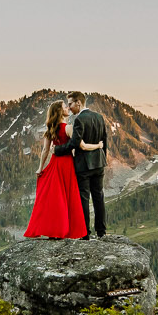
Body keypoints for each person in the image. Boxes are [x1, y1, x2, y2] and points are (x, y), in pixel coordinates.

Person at [22, 98, 87, 239]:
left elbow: (45, 150)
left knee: (56, 198)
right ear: (60, 112)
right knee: (67, 197)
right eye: (65, 107)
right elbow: (77, 145)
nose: (68, 108)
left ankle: (55, 230)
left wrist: (40, 168)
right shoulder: (68, 128)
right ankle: (65, 230)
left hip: (55, 163)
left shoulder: (50, 130)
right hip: (68, 164)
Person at [67, 91, 107, 239]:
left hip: (83, 166)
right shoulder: (99, 117)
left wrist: (57, 149)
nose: (69, 107)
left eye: (70, 104)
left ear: (78, 103)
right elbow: (104, 141)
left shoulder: (79, 120)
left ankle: (85, 234)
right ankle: (101, 231)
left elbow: (74, 144)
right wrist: (103, 158)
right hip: (99, 163)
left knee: (84, 198)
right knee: (99, 197)